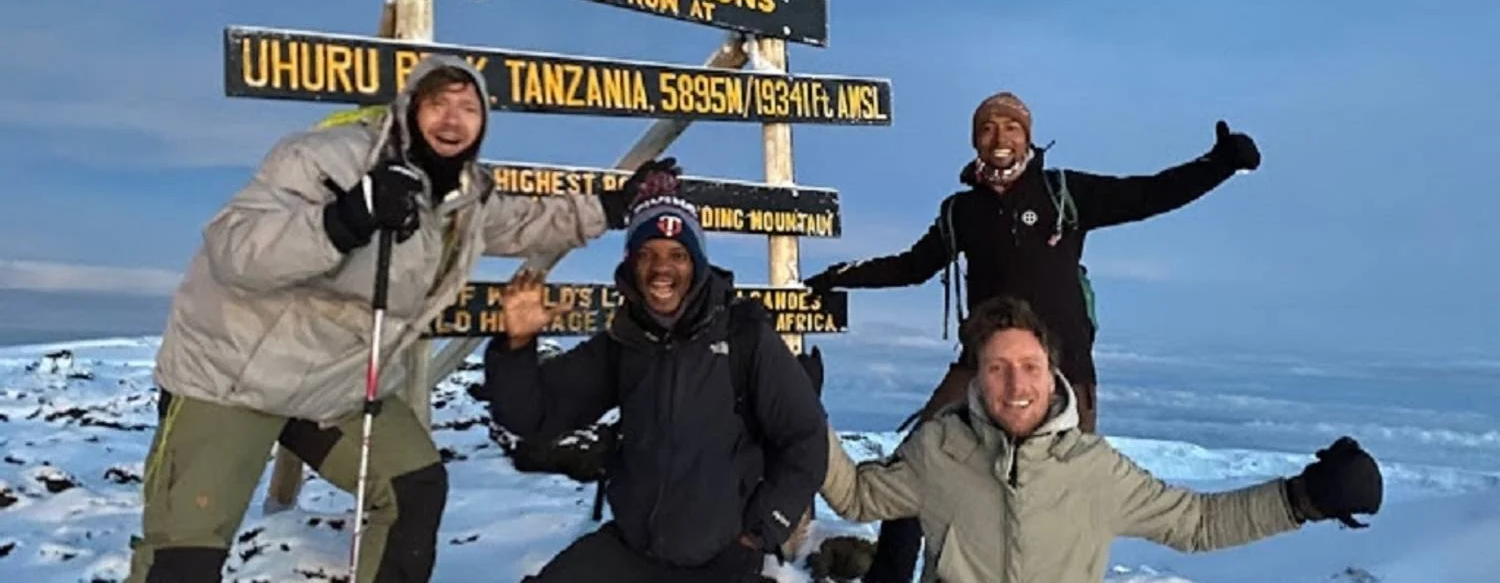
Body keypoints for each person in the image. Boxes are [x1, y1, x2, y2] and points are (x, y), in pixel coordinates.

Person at [127, 55, 668, 583]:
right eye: (438, 104)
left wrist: (610, 207)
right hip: (233, 378)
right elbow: (235, 249)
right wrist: (346, 218)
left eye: (468, 108)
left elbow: (526, 223)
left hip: (334, 389)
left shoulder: (463, 195)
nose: (453, 119)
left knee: (415, 487)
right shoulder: (328, 160)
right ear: (410, 108)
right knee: (184, 558)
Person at [802, 90, 1261, 582]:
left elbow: (1147, 195)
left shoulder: (1064, 193)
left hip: (1064, 374)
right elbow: (913, 266)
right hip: (980, 367)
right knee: (915, 464)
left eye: (1011, 128)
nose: (1000, 138)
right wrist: (840, 275)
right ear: (976, 140)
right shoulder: (961, 211)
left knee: (1056, 492)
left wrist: (1217, 164)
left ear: (1028, 136)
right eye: (987, 129)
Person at [817, 295, 1384, 583]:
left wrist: (1302, 499)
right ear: (978, 376)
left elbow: (1197, 522)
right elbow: (859, 497)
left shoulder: (1094, 469)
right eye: (997, 368)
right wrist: (802, 418)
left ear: (1051, 370)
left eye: (1029, 366)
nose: (1016, 384)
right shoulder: (938, 451)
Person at [484, 171, 829, 582]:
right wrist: (517, 346)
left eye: (677, 255)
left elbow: (805, 437)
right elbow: (531, 416)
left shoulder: (744, 336)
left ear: (697, 265)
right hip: (631, 551)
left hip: (721, 559)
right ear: (631, 265)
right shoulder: (624, 342)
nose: (661, 269)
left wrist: (763, 528)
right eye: (647, 254)